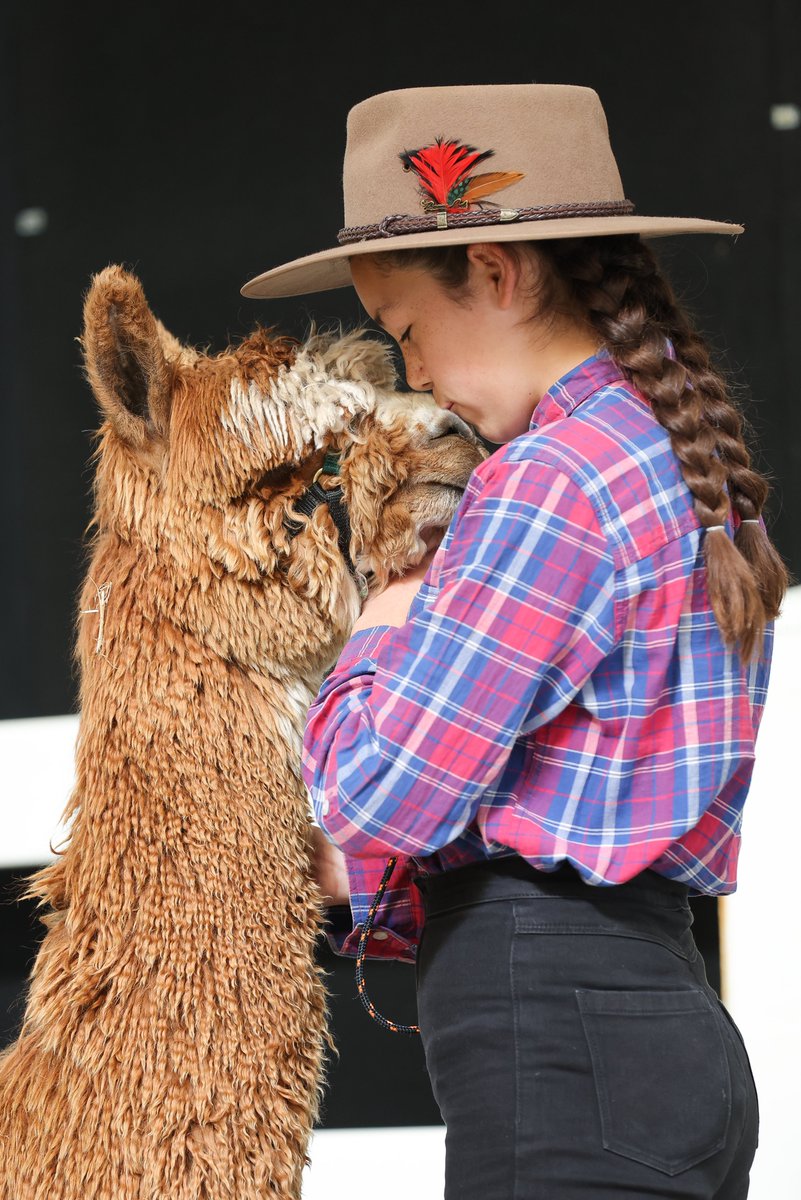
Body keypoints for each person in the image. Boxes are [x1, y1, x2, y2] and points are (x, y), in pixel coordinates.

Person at [241, 84, 787, 1199]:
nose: (417, 377)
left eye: (407, 332)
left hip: (564, 1039)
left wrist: (388, 615)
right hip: (653, 1021)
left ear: (497, 271)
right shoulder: (688, 463)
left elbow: (381, 796)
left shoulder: (550, 478)